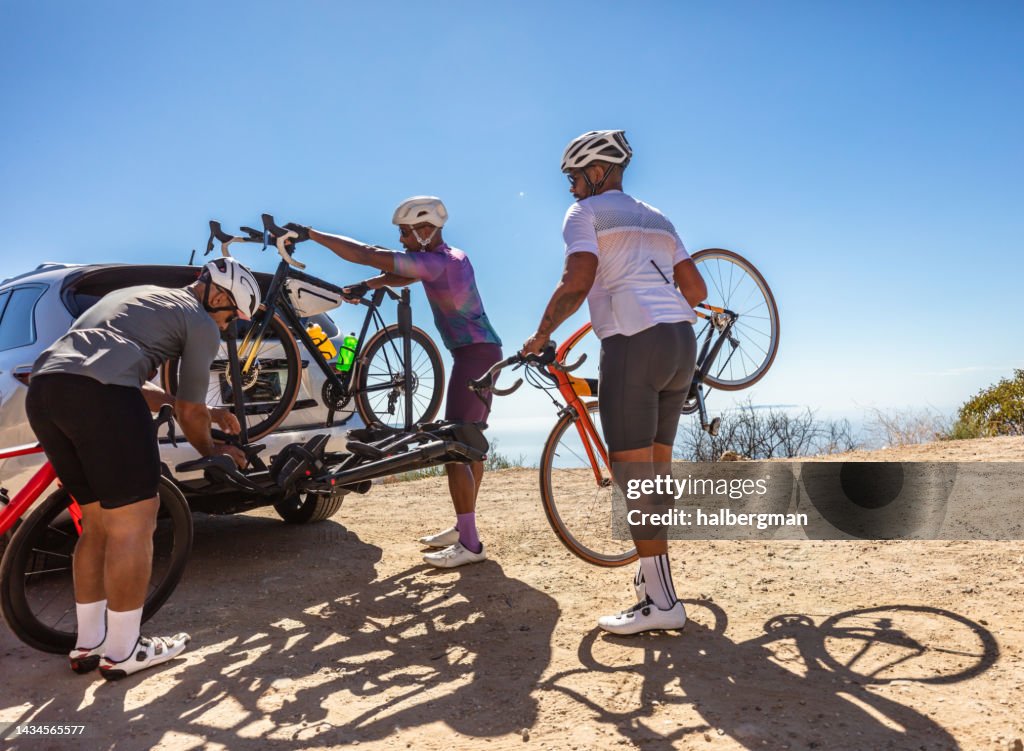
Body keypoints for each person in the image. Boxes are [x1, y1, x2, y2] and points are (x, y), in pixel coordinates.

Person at [26, 257, 257, 678]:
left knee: (96, 524)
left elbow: (125, 374)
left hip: (46, 390)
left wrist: (200, 410)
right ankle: (123, 651)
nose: (228, 328)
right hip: (102, 396)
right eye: (232, 317)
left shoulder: (133, 297)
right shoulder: (200, 322)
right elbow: (187, 411)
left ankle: (88, 645)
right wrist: (214, 453)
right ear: (219, 295)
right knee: (135, 525)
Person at [522, 130, 708, 635]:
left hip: (633, 344)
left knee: (633, 479)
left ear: (596, 172)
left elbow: (577, 280)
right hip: (680, 344)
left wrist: (542, 333)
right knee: (656, 472)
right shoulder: (658, 216)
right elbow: (695, 288)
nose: (570, 189)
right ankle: (655, 586)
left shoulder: (585, 215)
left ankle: (663, 603)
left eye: (574, 178)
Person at [299, 197, 502, 569]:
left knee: (457, 448)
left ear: (426, 231)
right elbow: (407, 273)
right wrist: (369, 284)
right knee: (469, 444)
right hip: (480, 353)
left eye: (406, 233)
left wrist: (311, 234)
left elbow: (367, 253)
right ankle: (463, 527)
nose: (401, 239)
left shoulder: (440, 261)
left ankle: (470, 544)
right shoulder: (449, 257)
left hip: (475, 357)